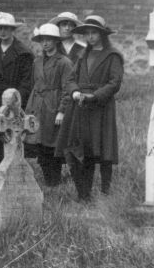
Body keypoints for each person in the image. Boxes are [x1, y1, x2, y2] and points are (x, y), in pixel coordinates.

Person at [56, 16, 123, 201]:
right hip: (81, 107)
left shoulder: (112, 56)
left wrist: (95, 96)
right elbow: (70, 79)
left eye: (94, 33)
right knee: (82, 149)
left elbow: (115, 82)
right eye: (87, 33)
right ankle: (84, 194)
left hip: (101, 107)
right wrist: (76, 92)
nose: (91, 37)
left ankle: (105, 193)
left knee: (103, 148)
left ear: (102, 34)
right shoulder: (82, 55)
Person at [25, 23, 76, 186]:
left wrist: (61, 111)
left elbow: (67, 88)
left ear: (56, 41)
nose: (45, 43)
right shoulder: (37, 61)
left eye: (49, 39)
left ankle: (55, 180)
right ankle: (47, 178)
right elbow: (34, 84)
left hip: (53, 106)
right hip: (38, 105)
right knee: (39, 142)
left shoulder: (64, 62)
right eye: (42, 40)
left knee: (52, 143)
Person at [0, 12, 33, 168]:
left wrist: (16, 100)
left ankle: (13, 164)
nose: (3, 32)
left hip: (15, 97)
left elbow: (26, 81)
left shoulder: (23, 52)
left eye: (6, 28)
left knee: (13, 132)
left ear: (13, 30)